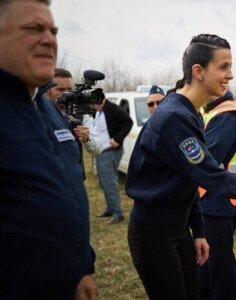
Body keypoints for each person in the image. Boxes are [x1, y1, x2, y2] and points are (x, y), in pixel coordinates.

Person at [125, 33, 236, 300]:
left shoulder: (190, 111)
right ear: (198, 71)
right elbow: (214, 178)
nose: (230, 74)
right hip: (154, 233)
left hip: (178, 228)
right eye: (223, 66)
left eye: (230, 66)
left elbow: (189, 179)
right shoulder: (175, 117)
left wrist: (198, 230)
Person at [0, 0, 96, 299]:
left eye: (53, 30)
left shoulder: (46, 107)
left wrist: (82, 268)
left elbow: (68, 192)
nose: (49, 39)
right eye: (33, 28)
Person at [199, 90, 236, 300]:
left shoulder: (228, 117)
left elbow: (201, 160)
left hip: (218, 202)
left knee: (219, 268)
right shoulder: (211, 112)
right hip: (207, 199)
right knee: (205, 266)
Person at [46, 68, 102, 158]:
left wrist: (86, 139)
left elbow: (99, 148)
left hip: (75, 170)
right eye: (60, 89)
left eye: (69, 89)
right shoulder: (38, 111)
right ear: (46, 90)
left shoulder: (80, 113)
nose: (66, 93)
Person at [93, 97, 133, 224]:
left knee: (109, 183)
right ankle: (110, 209)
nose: (93, 107)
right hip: (100, 151)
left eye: (94, 104)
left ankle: (118, 213)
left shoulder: (112, 108)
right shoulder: (98, 111)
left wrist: (117, 139)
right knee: (103, 182)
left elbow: (128, 122)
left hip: (110, 151)